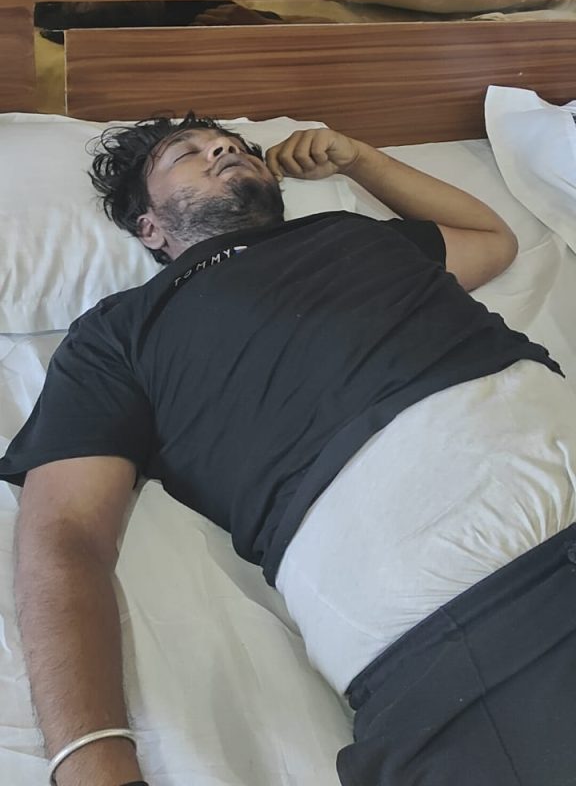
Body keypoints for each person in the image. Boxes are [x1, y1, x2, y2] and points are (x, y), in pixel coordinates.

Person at [2, 112, 575, 786]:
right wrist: (93, 763)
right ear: (149, 228)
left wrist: (360, 158)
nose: (223, 146)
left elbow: (493, 240)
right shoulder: (119, 333)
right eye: (186, 153)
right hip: (467, 629)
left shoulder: (353, 234)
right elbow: (65, 535)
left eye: (233, 144)